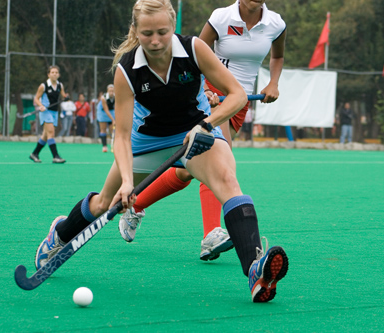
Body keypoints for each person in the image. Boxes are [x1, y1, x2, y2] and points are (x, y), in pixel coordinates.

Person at [33, 0, 288, 303]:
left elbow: (236, 95)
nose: (155, 41)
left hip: (197, 130)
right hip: (146, 140)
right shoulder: (127, 70)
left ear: (173, 27)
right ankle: (59, 235)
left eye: (162, 33)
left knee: (229, 183)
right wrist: (128, 182)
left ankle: (256, 271)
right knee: (104, 202)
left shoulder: (194, 49)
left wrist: (207, 125)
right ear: (136, 31)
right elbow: (123, 136)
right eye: (147, 33)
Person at [120, 0, 286, 262]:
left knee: (186, 171)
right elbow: (195, 55)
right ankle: (211, 234)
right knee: (219, 162)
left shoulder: (275, 23)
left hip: (238, 99)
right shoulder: (222, 17)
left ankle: (137, 204)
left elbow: (277, 56)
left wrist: (273, 83)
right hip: (211, 98)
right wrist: (205, 90)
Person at [29, 65, 67, 164]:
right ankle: (55, 156)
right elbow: (36, 98)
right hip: (45, 111)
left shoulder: (60, 85)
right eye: (52, 72)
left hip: (54, 112)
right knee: (51, 133)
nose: (54, 74)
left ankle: (34, 153)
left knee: (45, 135)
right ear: (48, 74)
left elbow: (63, 95)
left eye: (56, 72)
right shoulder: (43, 86)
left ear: (59, 75)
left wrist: (66, 97)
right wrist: (40, 106)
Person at [97, 84, 116, 152]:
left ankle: (115, 146)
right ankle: (104, 146)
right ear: (107, 91)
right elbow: (106, 109)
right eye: (110, 91)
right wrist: (113, 119)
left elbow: (116, 107)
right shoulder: (103, 98)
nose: (111, 92)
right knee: (103, 129)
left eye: (112, 91)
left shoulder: (115, 96)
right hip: (102, 112)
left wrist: (115, 118)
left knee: (112, 130)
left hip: (111, 111)